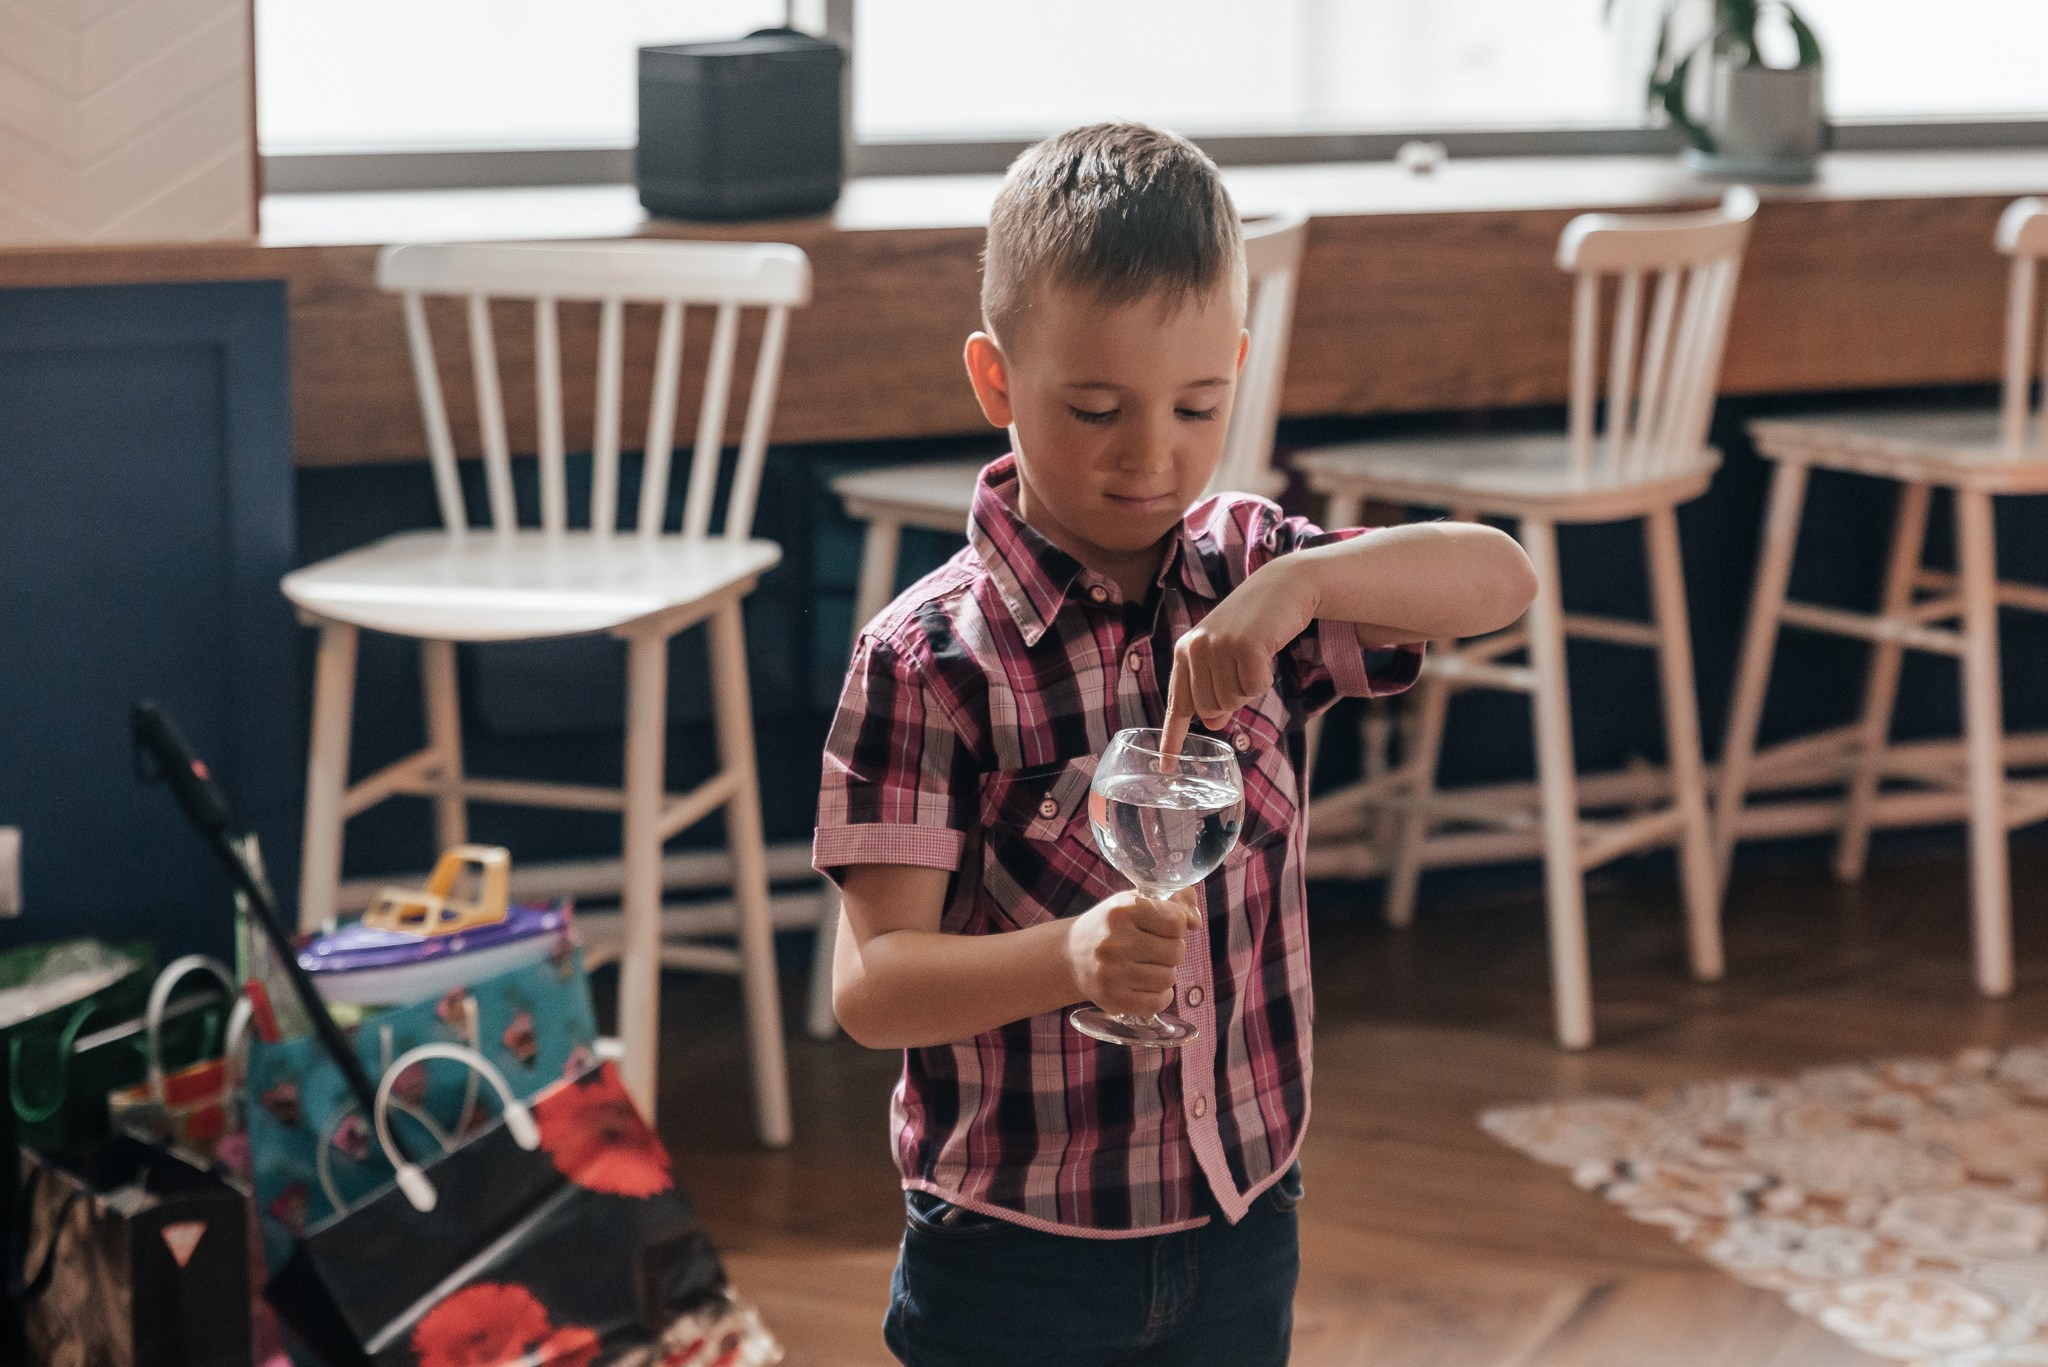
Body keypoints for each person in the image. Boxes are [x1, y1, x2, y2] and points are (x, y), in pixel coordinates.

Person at [814, 121, 1538, 1367]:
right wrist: (1072, 954)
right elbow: (872, 988)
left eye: (1197, 404)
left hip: (1243, 1205)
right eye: (1093, 408)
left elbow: (1501, 578)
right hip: (1011, 1243)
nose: (1149, 454)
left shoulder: (1251, 568)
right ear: (995, 382)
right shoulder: (927, 659)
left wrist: (1300, 588)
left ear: (1236, 374)